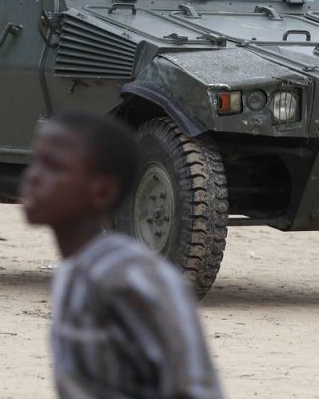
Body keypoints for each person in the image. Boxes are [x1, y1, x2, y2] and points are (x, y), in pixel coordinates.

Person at [22, 112, 224, 399]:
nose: (33, 178)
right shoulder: (71, 277)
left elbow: (193, 388)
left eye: (54, 167)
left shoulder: (137, 278)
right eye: (35, 163)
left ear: (102, 190)